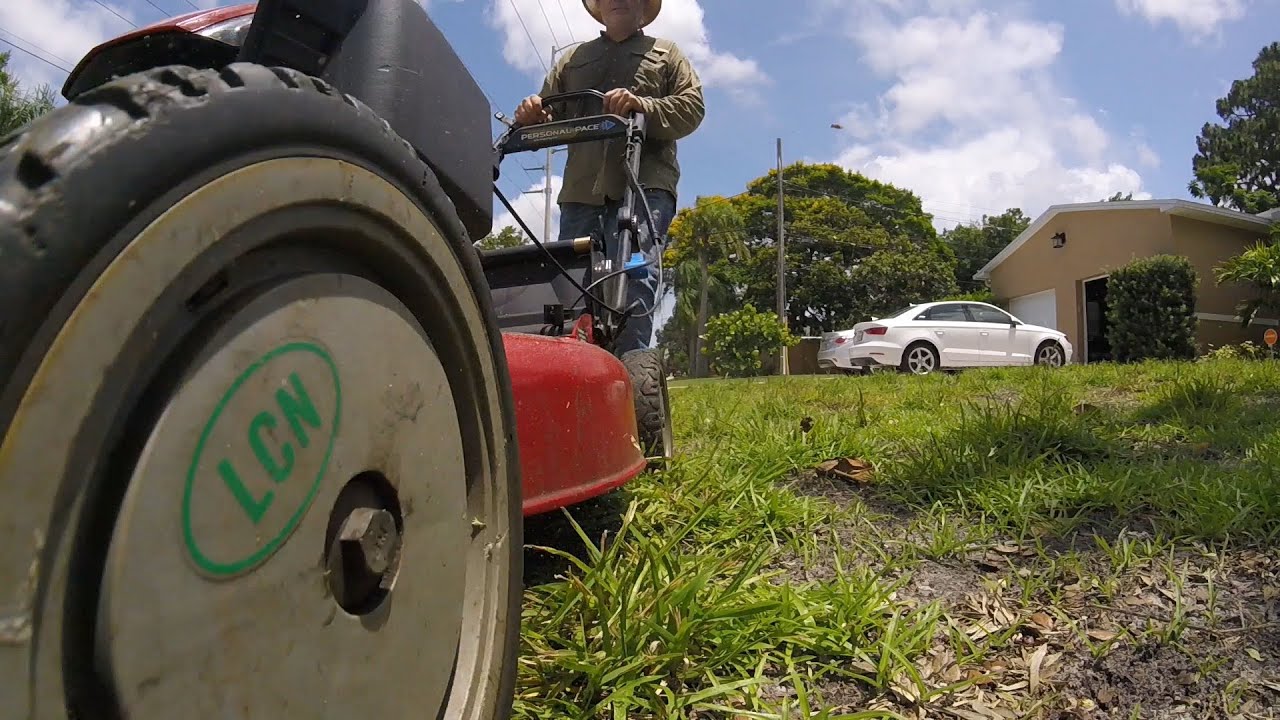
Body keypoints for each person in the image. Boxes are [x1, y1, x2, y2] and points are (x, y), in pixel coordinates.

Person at [513, 0, 704, 354]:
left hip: (644, 186)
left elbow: (692, 108)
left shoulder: (666, 53)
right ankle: (576, 367)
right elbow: (548, 114)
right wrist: (532, 113)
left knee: (634, 277)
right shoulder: (573, 60)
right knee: (570, 281)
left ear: (643, 7)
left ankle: (630, 373)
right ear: (599, 7)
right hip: (581, 193)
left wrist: (643, 105)